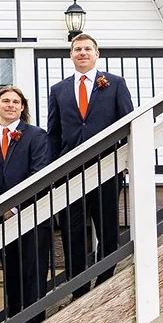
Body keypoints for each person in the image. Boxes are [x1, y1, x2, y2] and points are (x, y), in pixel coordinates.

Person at [46, 33, 135, 291]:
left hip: (107, 167)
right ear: (71, 55)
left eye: (87, 49)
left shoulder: (115, 84)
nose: (82, 52)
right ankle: (79, 286)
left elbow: (128, 123)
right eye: (77, 49)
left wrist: (126, 159)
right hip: (71, 172)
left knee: (107, 226)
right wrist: (53, 171)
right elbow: (54, 134)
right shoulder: (58, 90)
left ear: (97, 54)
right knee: (72, 230)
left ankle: (105, 279)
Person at [0, 85, 54, 323]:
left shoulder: (36, 135)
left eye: (16, 102)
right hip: (2, 221)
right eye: (5, 101)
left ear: (22, 108)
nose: (10, 105)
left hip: (32, 215)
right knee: (11, 276)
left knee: (34, 276)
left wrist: (16, 207)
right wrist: (2, 210)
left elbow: (39, 174)